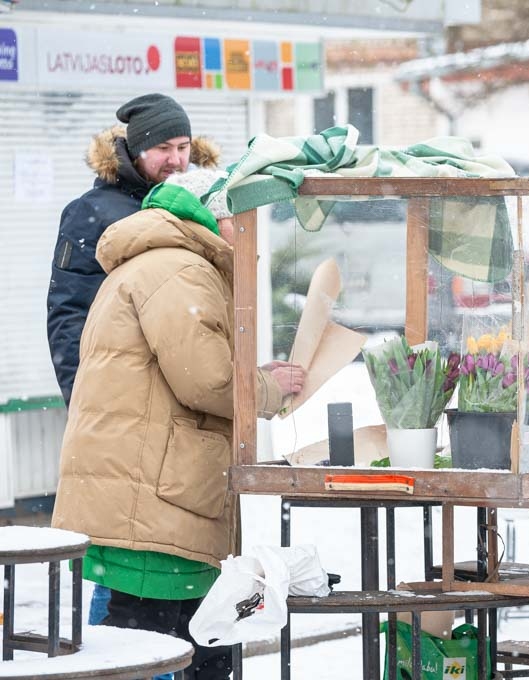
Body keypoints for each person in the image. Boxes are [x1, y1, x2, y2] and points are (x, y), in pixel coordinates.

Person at [50, 168, 305, 680]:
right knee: (149, 642)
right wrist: (270, 386)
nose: (251, 232)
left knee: (139, 636)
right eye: (242, 219)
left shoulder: (160, 263)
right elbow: (204, 379)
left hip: (141, 490)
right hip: (154, 496)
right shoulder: (180, 271)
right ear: (214, 217)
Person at [45, 93, 219, 632]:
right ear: (132, 150)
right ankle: (114, 654)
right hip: (120, 416)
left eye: (184, 146)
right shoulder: (94, 213)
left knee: (146, 559)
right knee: (127, 561)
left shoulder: (194, 205)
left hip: (174, 424)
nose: (176, 159)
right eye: (162, 147)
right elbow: (68, 316)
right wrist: (90, 405)